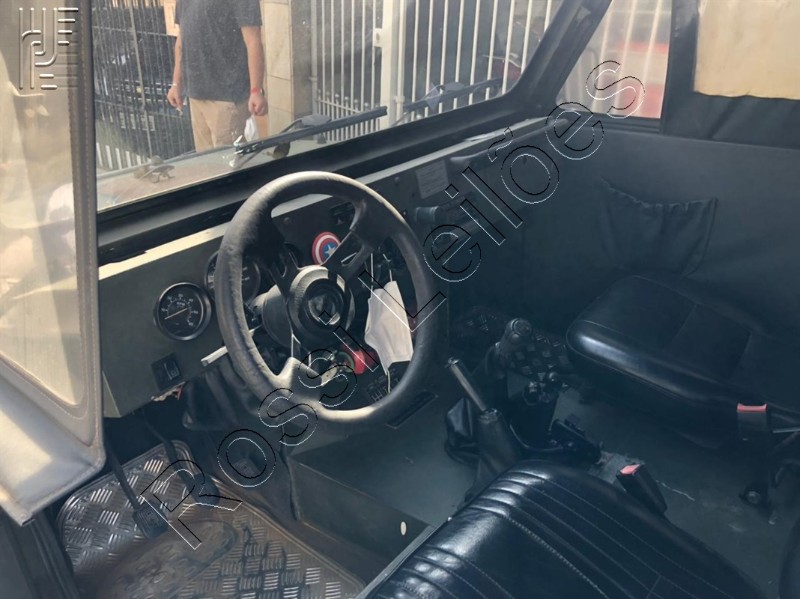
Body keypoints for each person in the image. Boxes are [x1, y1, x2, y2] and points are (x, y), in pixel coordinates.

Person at [166, 0, 267, 151]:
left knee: (229, 161)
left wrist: (256, 90)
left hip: (227, 97)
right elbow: (182, 38)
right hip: (196, 94)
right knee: (206, 160)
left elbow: (253, 41)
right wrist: (176, 84)